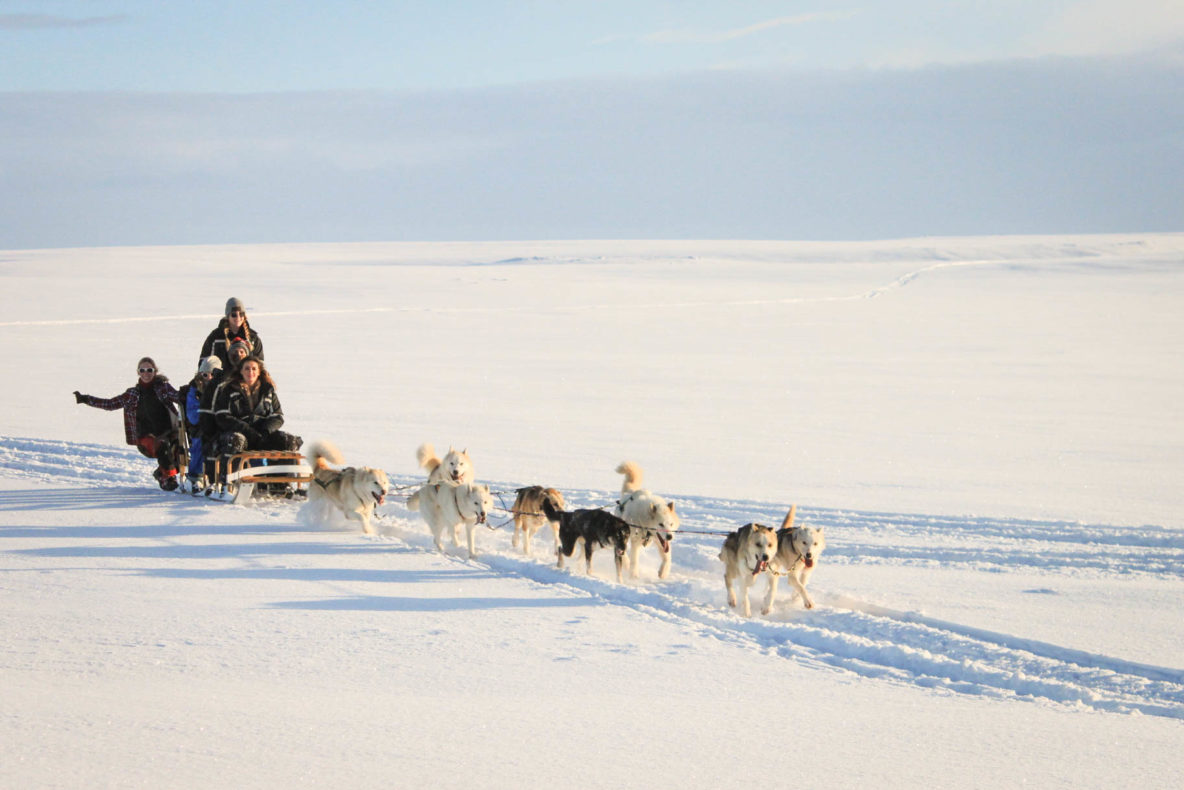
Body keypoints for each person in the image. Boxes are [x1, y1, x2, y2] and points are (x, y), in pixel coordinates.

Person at [74, 357, 183, 490]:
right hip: (145, 436)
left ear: (155, 371)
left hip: (168, 431)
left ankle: (162, 472)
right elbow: (110, 404)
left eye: (149, 370)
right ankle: (168, 478)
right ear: (138, 372)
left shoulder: (163, 388)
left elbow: (179, 397)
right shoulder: (133, 394)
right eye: (142, 370)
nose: (146, 373)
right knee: (163, 447)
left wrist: (191, 392)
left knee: (179, 452)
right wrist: (86, 399)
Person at [213, 355, 302, 457]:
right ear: (241, 371)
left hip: (263, 434)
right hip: (238, 433)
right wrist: (246, 430)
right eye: (247, 368)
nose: (250, 372)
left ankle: (282, 472)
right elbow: (222, 416)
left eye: (254, 368)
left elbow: (277, 416)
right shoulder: (229, 390)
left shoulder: (268, 390)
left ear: (259, 371)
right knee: (236, 441)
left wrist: (265, 431)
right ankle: (231, 472)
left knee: (288, 441)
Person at [179, 356, 221, 488]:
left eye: (212, 374)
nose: (208, 378)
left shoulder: (223, 388)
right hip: (200, 426)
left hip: (220, 425)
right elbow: (192, 415)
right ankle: (195, 476)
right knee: (199, 442)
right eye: (205, 374)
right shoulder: (194, 390)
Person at [199, 297, 263, 369]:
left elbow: (260, 365)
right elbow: (203, 363)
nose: (238, 317)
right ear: (227, 316)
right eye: (234, 314)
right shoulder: (216, 337)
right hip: (221, 379)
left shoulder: (253, 338)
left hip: (246, 379)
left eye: (241, 314)